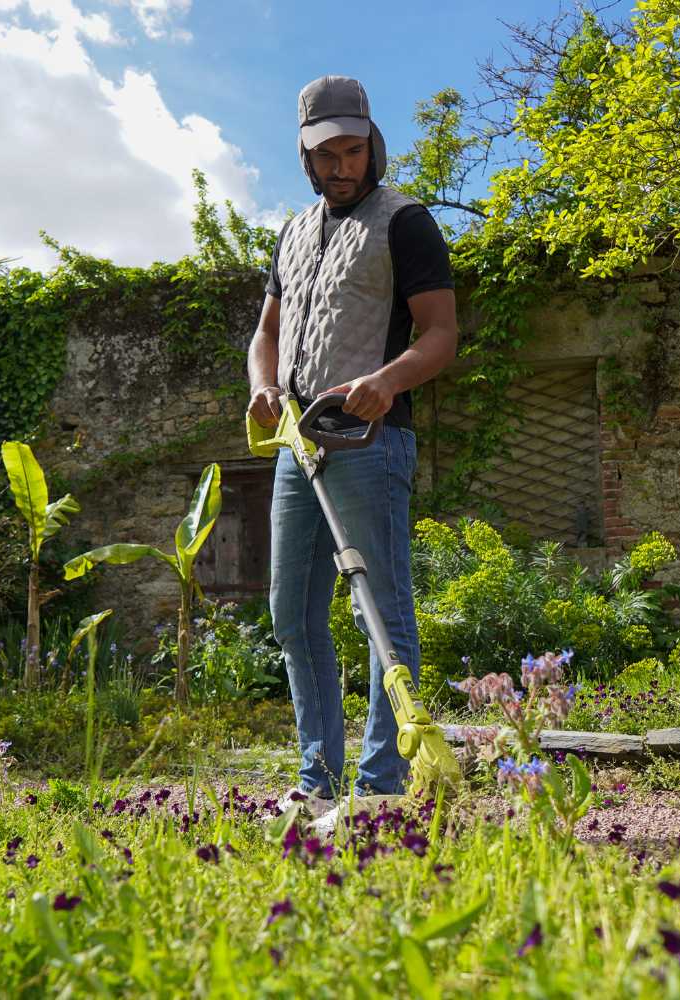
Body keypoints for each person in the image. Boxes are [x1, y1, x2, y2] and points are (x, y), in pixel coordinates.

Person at [246, 75, 457, 813]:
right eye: (327, 154)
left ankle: (380, 786)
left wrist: (390, 379)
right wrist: (262, 384)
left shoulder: (407, 223)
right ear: (304, 156)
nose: (343, 166)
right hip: (295, 449)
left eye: (354, 150)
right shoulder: (293, 231)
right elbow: (265, 335)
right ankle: (318, 781)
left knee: (381, 612)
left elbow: (439, 334)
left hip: (371, 442)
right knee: (291, 613)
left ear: (373, 145)